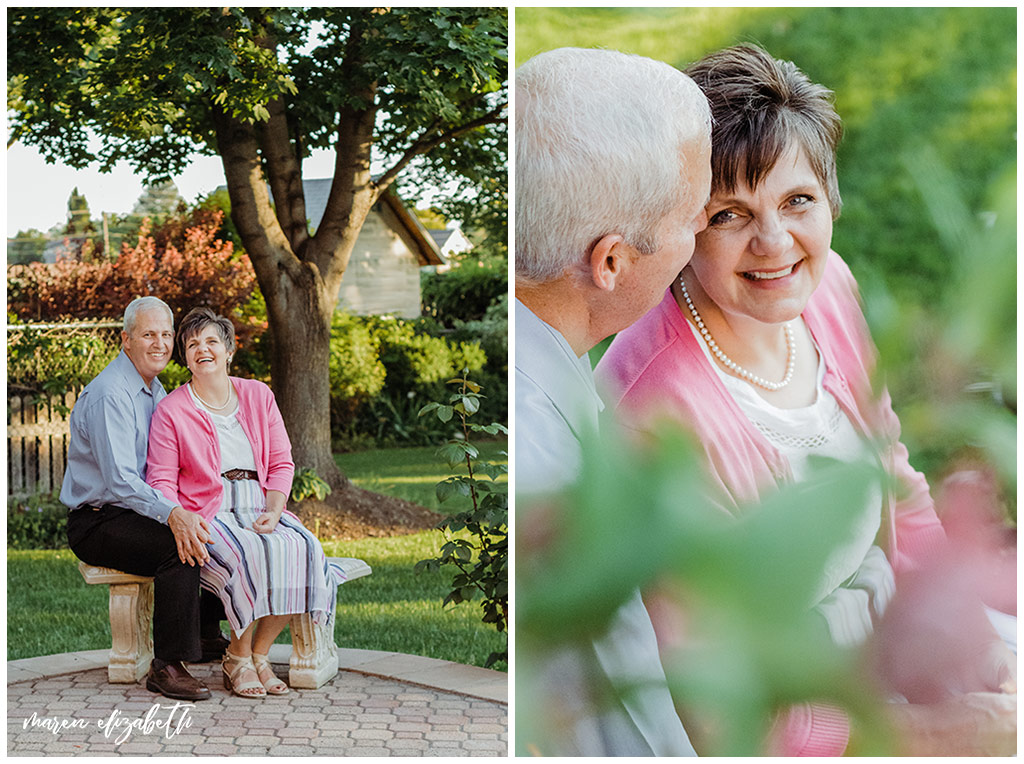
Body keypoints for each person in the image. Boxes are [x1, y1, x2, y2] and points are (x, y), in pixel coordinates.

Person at [595, 44, 1015, 755]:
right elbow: (718, 707)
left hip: (888, 638)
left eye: (797, 202)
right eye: (729, 214)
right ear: (681, 229)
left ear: (830, 199)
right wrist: (939, 733)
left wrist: (966, 644)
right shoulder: (652, 414)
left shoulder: (827, 291)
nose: (774, 243)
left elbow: (896, 480)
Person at [515, 46, 712, 756]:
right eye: (696, 216)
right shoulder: (556, 487)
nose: (702, 237)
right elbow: (636, 738)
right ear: (611, 261)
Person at [146, 307, 345, 699]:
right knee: (250, 554)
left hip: (260, 503)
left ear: (229, 350)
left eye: (211, 342)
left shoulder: (257, 394)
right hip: (209, 511)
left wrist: (274, 508)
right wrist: (182, 519)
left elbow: (281, 462)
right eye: (192, 344)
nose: (202, 349)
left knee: (304, 548)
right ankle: (237, 657)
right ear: (184, 357)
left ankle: (258, 654)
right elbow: (161, 480)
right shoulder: (171, 410)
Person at [63, 296, 225, 702]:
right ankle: (167, 665)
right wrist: (173, 513)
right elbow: (120, 482)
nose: (160, 343)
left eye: (166, 334)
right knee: (178, 544)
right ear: (126, 340)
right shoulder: (110, 395)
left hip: (131, 511)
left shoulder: (154, 389)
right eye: (148, 334)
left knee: (208, 526)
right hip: (98, 520)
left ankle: (204, 636)